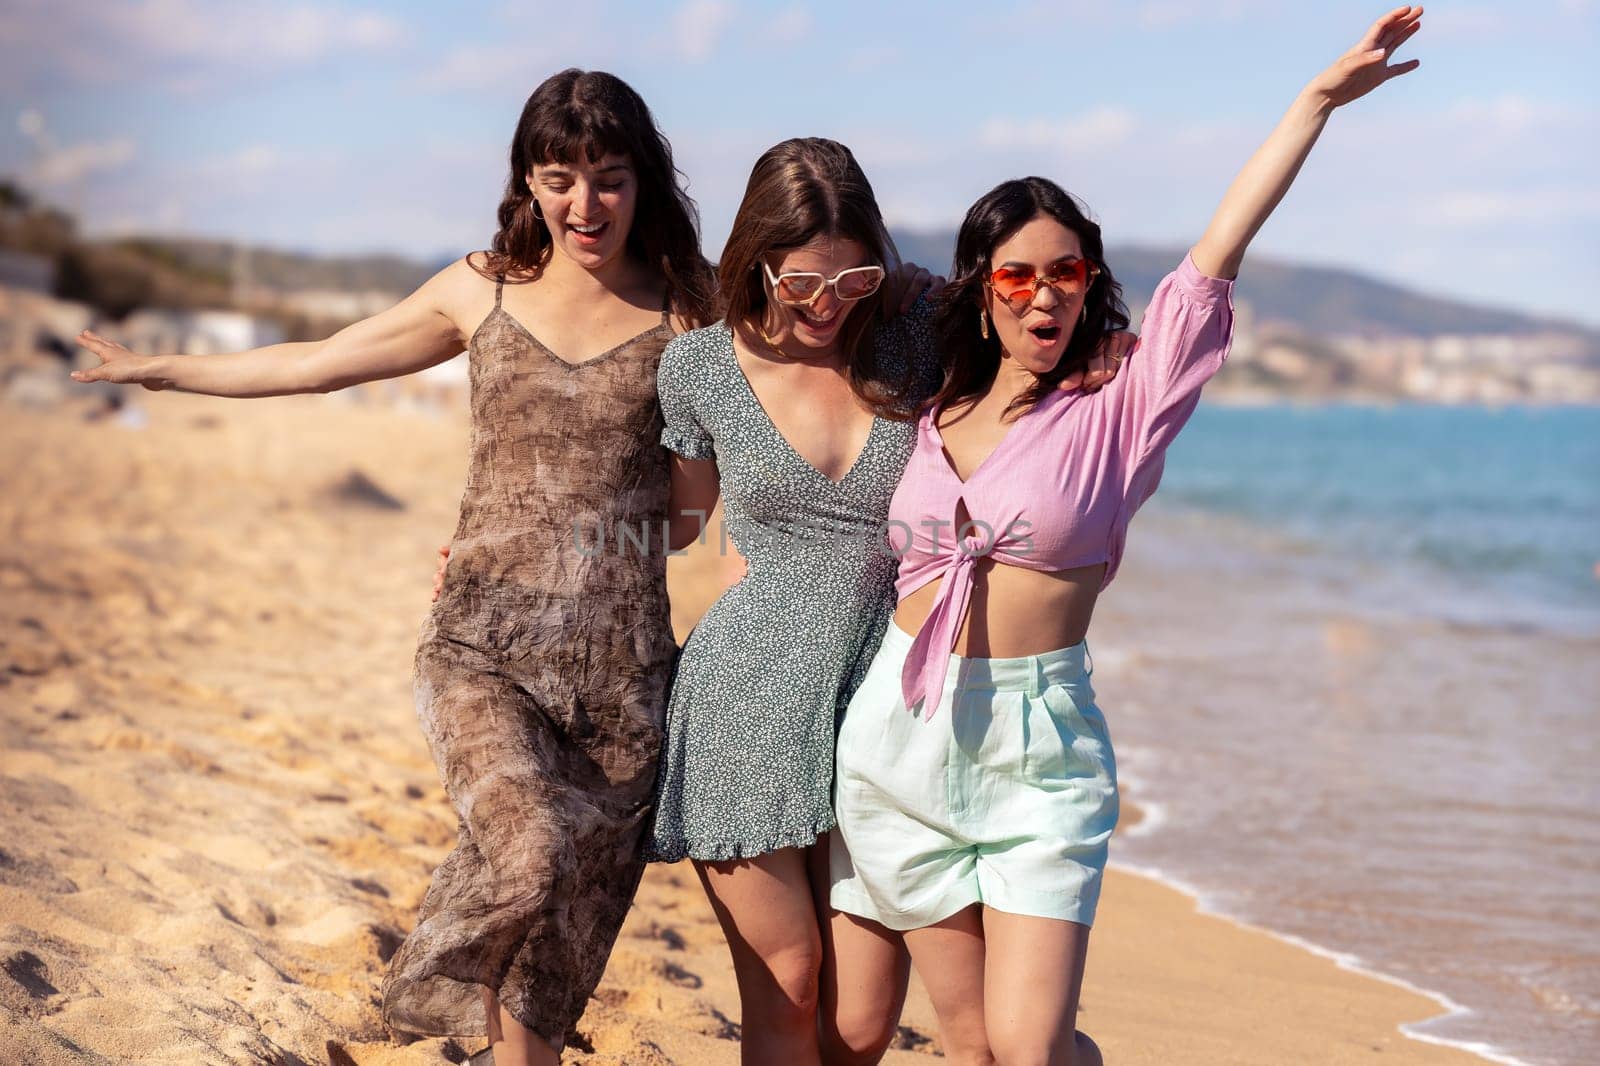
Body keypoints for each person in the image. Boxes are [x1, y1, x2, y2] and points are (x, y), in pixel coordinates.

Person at [71, 68, 718, 1066]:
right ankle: (419, 995)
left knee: (548, 977)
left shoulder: (687, 314)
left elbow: (690, 514)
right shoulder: (480, 289)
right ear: (527, 182)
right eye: (559, 177)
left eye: (610, 177)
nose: (584, 205)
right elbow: (322, 357)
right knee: (524, 854)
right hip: (481, 651)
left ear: (645, 181)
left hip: (621, 679)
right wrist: (164, 370)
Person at [827, 8, 1424, 1064]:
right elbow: (803, 314)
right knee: (972, 1047)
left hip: (1038, 747)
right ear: (978, 295)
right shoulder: (923, 409)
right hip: (902, 734)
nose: (1045, 294)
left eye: (1068, 273)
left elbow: (1209, 266)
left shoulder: (1118, 411)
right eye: (1017, 276)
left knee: (1027, 1044)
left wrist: (1313, 106)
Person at [646, 137, 1132, 1065]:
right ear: (755, 263)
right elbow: (676, 524)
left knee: (860, 1025)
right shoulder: (700, 369)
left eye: (853, 279)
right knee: (788, 980)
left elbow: (1021, 302)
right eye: (801, 286)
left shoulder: (911, 342)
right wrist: (522, 543)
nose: (829, 306)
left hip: (889, 701)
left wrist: (1105, 341)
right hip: (748, 698)